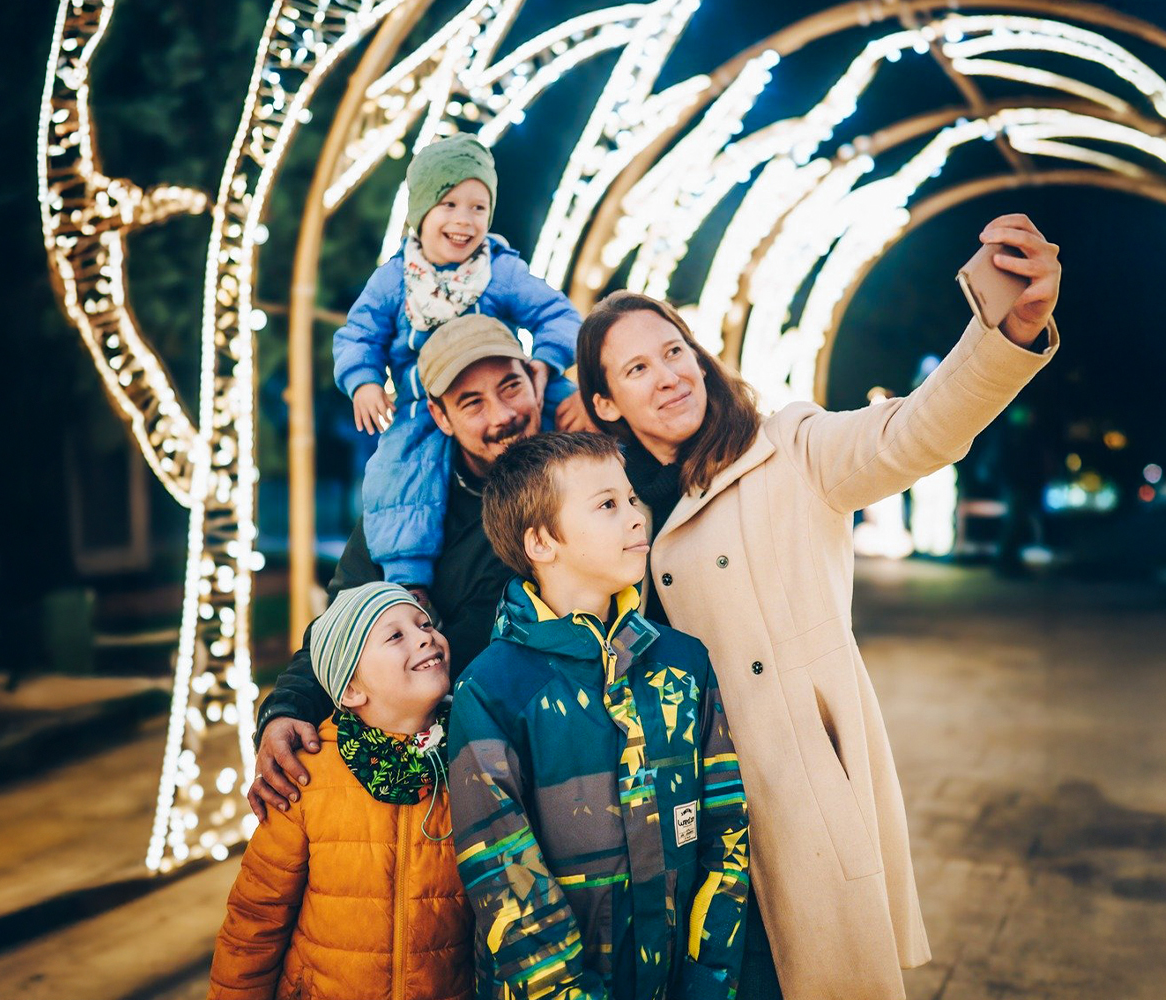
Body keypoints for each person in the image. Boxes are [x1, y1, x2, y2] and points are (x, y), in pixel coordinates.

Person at [575, 214, 1062, 1000]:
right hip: (670, 819)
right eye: (636, 369)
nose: (669, 375)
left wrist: (1004, 332)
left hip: (792, 794)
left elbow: (915, 432)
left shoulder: (790, 450)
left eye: (675, 352)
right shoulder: (606, 508)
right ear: (604, 404)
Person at [449, 431, 749, 999]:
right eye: (608, 505)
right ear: (541, 542)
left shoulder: (685, 663)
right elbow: (505, 879)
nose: (637, 517)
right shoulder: (491, 689)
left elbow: (726, 830)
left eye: (632, 499)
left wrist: (707, 981)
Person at [249, 313, 549, 819]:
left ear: (536, 380)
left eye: (510, 387)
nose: (502, 415)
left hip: (547, 762)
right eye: (471, 402)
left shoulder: (581, 476)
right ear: (440, 415)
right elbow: (343, 622)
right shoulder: (402, 507)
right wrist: (287, 709)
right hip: (425, 775)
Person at [334, 132, 588, 592]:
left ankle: (604, 499)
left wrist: (547, 365)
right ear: (420, 213)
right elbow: (358, 335)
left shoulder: (498, 270)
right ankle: (409, 580)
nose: (464, 220)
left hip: (506, 376)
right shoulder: (394, 281)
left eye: (478, 207)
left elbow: (559, 315)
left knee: (573, 409)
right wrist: (363, 381)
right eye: (449, 204)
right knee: (400, 471)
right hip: (421, 404)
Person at [209, 582, 471, 1000]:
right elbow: (255, 921)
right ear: (351, 690)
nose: (426, 636)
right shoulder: (306, 776)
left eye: (424, 625)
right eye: (396, 635)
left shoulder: (470, 761)